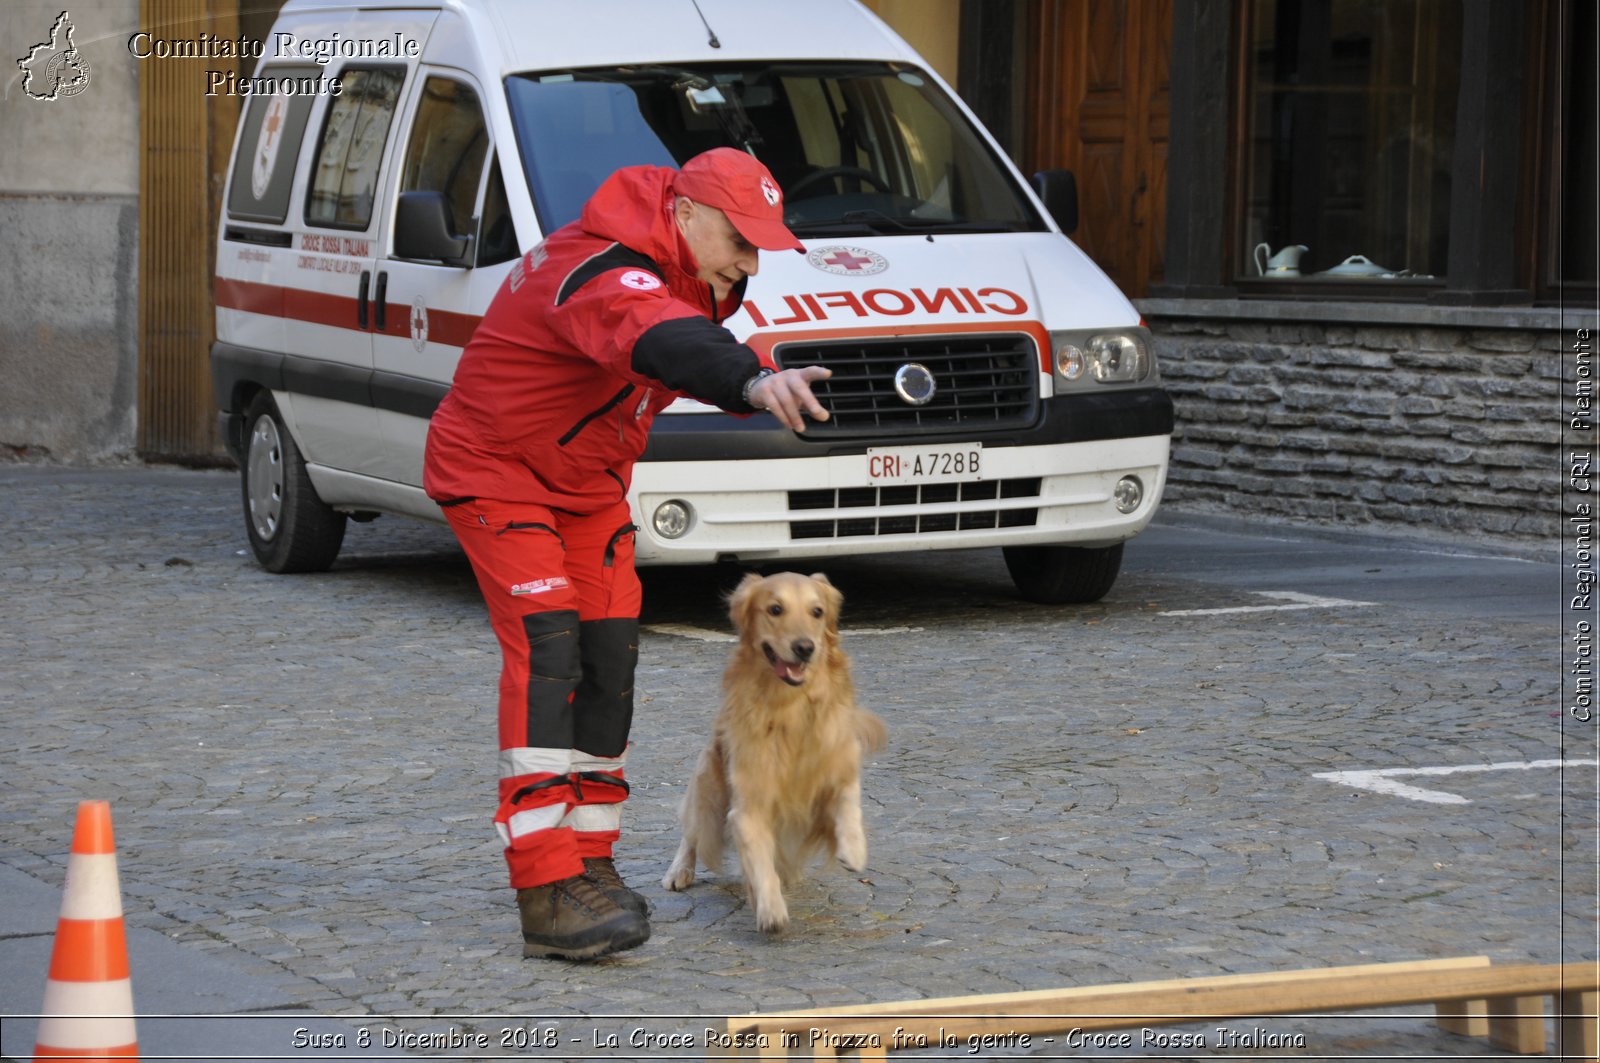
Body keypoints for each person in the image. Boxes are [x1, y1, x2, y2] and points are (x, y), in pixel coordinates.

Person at [423, 148, 830, 960]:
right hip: (496, 470)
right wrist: (751, 381)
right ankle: (544, 886)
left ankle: (590, 863)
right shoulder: (599, 266)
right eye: (739, 240)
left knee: (609, 655)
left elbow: (674, 332)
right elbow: (652, 333)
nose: (751, 262)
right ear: (682, 215)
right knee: (549, 649)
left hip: (584, 485)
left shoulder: (691, 273)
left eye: (760, 247)